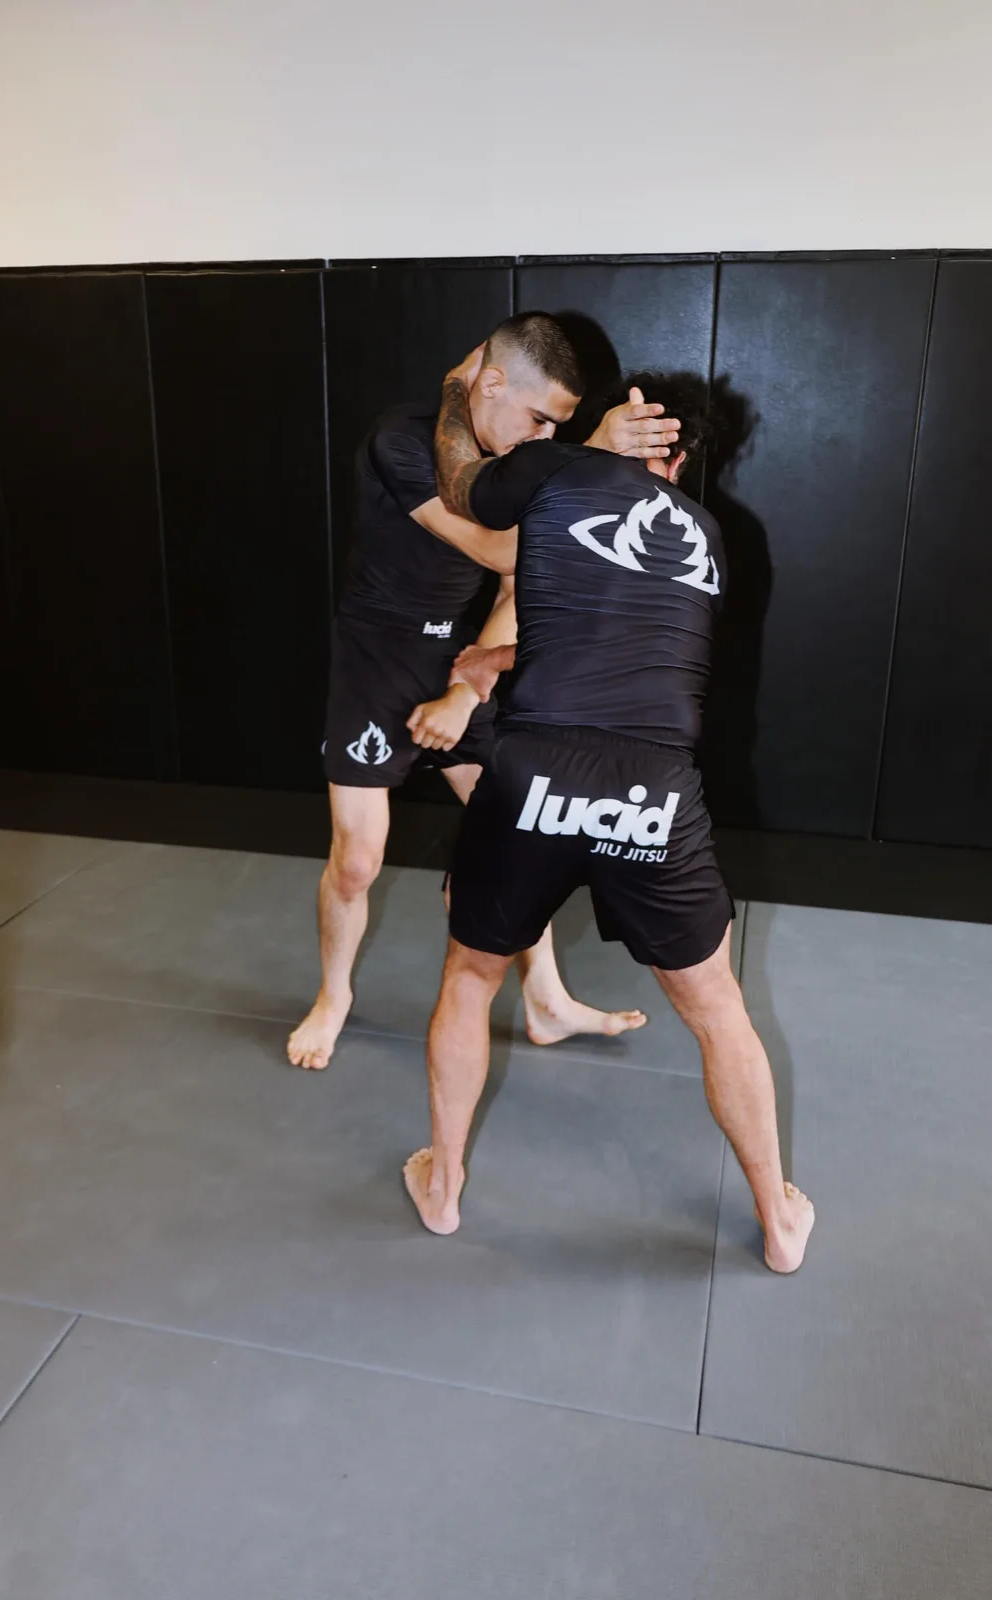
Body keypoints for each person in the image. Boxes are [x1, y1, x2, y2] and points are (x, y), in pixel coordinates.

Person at [402, 356, 815, 1275]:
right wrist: (496, 666)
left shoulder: (558, 473)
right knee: (719, 1011)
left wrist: (456, 395)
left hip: (536, 774)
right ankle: (781, 1221)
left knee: (471, 976)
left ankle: (443, 1189)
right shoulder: (713, 534)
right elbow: (621, 651)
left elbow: (462, 484)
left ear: (624, 418)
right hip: (654, 790)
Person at [287, 313, 680, 1071]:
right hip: (376, 657)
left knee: (520, 839)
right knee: (360, 858)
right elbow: (496, 544)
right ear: (492, 383)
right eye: (537, 419)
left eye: (556, 428)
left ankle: (546, 1001)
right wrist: (591, 456)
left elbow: (515, 581)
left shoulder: (522, 457)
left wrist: (467, 689)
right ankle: (334, 995)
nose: (540, 439)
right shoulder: (401, 439)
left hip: (455, 659)